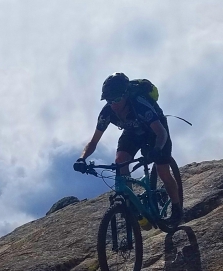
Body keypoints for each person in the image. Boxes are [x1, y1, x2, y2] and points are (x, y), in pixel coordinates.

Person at [74, 73, 182, 222]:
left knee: (162, 170)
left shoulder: (139, 105)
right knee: (120, 161)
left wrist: (157, 149)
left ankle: (177, 208)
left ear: (126, 95)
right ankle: (131, 204)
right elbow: (93, 142)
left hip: (155, 132)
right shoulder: (107, 113)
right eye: (109, 100)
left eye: (117, 99)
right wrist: (81, 158)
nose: (114, 104)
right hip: (132, 132)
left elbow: (161, 133)